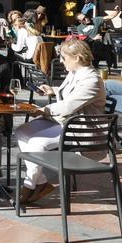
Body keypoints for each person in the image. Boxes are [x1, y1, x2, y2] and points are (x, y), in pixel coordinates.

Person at [15, 39, 106, 205]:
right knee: (22, 131)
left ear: (77, 58)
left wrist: (43, 110)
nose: (61, 62)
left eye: (64, 58)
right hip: (65, 122)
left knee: (36, 143)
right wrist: (53, 90)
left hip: (81, 130)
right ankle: (41, 183)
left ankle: (29, 185)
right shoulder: (75, 73)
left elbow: (68, 106)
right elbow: (71, 95)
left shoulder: (92, 80)